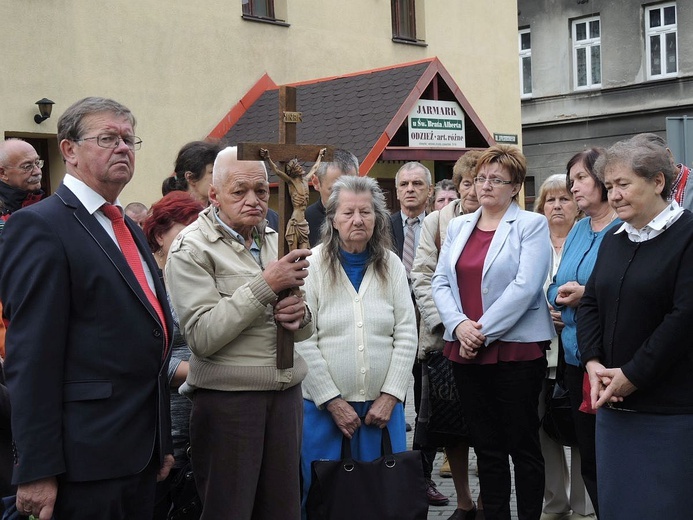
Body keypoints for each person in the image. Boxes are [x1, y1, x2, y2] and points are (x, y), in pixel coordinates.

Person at [0, 97, 174, 520]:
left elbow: (150, 337)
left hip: (139, 454)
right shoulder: (40, 226)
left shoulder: (127, 226)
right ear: (69, 150)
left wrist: (161, 442)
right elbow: (31, 356)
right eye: (108, 138)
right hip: (82, 462)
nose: (123, 148)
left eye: (130, 139)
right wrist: (36, 469)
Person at [164, 146, 313, 520]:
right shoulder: (191, 247)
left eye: (261, 191)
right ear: (213, 195)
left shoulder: (275, 238)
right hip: (230, 403)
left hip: (285, 395)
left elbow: (307, 326)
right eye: (239, 191)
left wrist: (301, 315)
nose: (253, 201)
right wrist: (265, 285)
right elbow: (201, 336)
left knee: (282, 512)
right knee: (229, 511)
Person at [432, 144, 555, 520]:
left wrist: (479, 331)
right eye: (480, 178)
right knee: (485, 447)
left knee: (523, 445)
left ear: (515, 186)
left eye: (496, 179)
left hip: (516, 352)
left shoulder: (531, 225)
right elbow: (440, 281)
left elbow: (526, 286)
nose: (485, 186)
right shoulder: (458, 225)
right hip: (466, 350)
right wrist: (458, 325)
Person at [576, 137, 693, 519]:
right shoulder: (614, 238)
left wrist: (632, 375)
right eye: (609, 186)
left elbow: (684, 318)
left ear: (658, 182)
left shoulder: (687, 235)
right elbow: (591, 301)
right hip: (614, 405)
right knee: (619, 505)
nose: (614, 195)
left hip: (670, 411)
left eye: (623, 184)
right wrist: (593, 362)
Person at [296, 175, 417, 517]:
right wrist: (332, 401)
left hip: (382, 412)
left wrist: (392, 394)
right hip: (324, 412)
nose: (358, 220)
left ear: (377, 217)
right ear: (332, 218)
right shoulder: (314, 265)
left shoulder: (390, 264)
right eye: (348, 212)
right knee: (323, 496)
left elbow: (407, 332)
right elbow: (303, 338)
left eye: (366, 212)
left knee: (382, 498)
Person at [547, 148, 619, 518]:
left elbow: (626, 288)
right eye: (570, 178)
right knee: (588, 454)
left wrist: (584, 295)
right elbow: (557, 283)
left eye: (580, 178)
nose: (573, 187)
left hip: (610, 360)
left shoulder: (622, 227)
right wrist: (555, 300)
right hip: (574, 358)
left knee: (614, 457)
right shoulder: (576, 228)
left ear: (604, 180)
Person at [411, 150, 482, 520]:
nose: (472, 190)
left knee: (488, 426)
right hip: (444, 342)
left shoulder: (503, 221)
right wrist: (446, 322)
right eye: (466, 183)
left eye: (480, 181)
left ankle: (489, 500)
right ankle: (465, 502)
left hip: (490, 339)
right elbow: (421, 275)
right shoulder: (437, 221)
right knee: (451, 428)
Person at [389, 161, 448, 506]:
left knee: (429, 407)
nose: (410, 189)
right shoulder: (383, 225)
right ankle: (390, 470)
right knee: (392, 401)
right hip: (393, 328)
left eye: (417, 184)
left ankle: (421, 478)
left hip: (430, 329)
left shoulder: (441, 226)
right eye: (404, 184)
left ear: (428, 191)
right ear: (396, 191)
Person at [534, 175, 594, 520]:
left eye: (564, 199)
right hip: (539, 350)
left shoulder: (586, 238)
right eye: (550, 200)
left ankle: (584, 504)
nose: (557, 206)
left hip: (576, 349)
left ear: (577, 205)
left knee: (580, 426)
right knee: (543, 428)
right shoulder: (531, 240)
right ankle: (554, 501)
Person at [143, 192, 205, 520]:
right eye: (185, 231)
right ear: (159, 235)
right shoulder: (147, 285)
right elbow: (142, 356)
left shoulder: (203, 277)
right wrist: (200, 372)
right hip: (166, 423)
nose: (194, 241)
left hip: (208, 418)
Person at [305, 148, 359, 246]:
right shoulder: (304, 222)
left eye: (349, 189)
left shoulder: (370, 219)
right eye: (334, 191)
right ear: (316, 182)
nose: (344, 199)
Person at [0, 139, 44, 233]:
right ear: (3, 173)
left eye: (37, 163)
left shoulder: (48, 205)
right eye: (27, 166)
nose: (38, 171)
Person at [162, 140, 221, 205]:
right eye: (212, 172)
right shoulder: (178, 213)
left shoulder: (220, 207)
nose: (220, 176)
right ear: (190, 178)